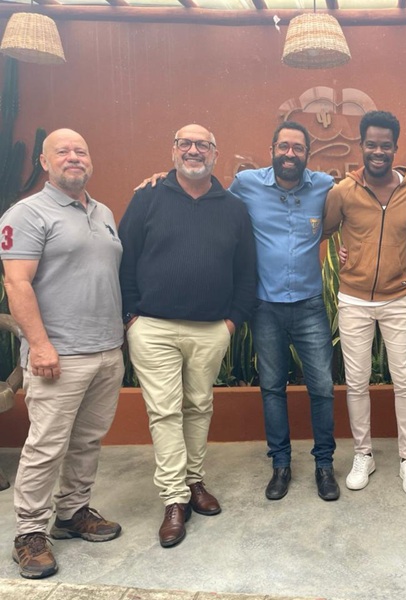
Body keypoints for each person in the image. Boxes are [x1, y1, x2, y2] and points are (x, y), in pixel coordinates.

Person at [118, 124, 257, 548]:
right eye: (185, 143)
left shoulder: (233, 207)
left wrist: (231, 322)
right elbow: (124, 258)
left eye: (202, 145)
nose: (193, 150)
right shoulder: (147, 198)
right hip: (153, 327)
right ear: (173, 150)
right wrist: (131, 317)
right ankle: (175, 498)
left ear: (215, 153)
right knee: (165, 412)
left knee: (198, 406)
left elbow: (246, 271)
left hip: (211, 329)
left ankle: (194, 480)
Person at [0, 129, 124, 579]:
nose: (74, 157)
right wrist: (39, 344)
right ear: (44, 161)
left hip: (106, 350)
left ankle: (72, 512)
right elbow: (16, 282)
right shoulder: (27, 213)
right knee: (46, 446)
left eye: (81, 151)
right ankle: (30, 533)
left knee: (87, 440)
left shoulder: (103, 212)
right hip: (58, 354)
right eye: (63, 151)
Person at [228, 122, 340, 502]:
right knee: (272, 388)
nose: (290, 154)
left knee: (322, 388)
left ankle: (324, 465)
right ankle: (281, 465)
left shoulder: (324, 185)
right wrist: (162, 179)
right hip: (265, 306)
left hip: (310, 305)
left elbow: (362, 188)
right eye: (284, 147)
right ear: (272, 149)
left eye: (298, 148)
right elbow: (212, 202)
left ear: (308, 153)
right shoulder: (246, 184)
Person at [322, 110, 406, 496]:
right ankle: (363, 454)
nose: (378, 151)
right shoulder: (342, 192)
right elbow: (327, 230)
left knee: (405, 382)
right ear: (361, 145)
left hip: (399, 298)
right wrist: (343, 251)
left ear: (395, 148)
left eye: (385, 145)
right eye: (371, 144)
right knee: (356, 382)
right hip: (353, 298)